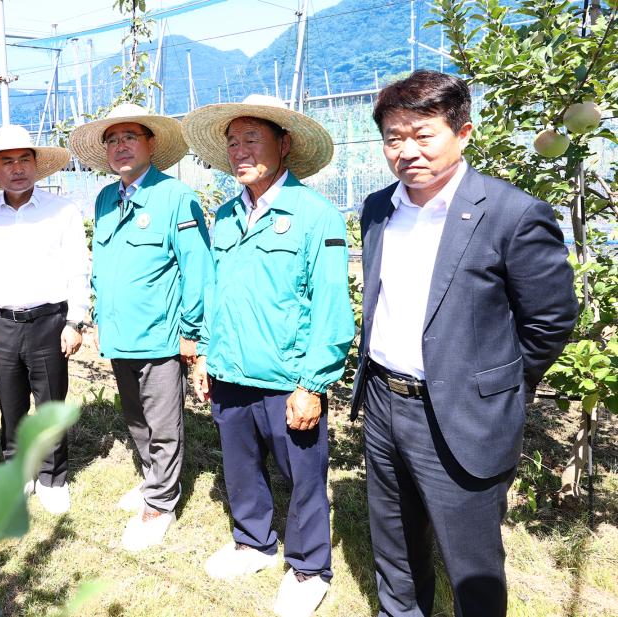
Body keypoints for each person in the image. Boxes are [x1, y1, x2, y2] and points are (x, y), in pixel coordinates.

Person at [350, 70, 578, 617]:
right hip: (383, 399)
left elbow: (550, 319)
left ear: (464, 133)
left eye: (422, 134)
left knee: (470, 560)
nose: (407, 151)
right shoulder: (379, 208)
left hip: (459, 412)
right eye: (393, 137)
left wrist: (498, 386)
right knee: (394, 542)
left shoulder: (511, 213)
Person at [184, 95, 351, 617]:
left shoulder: (314, 215)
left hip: (287, 378)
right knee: (240, 468)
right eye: (232, 142)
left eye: (251, 139)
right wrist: (205, 354)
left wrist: (313, 383)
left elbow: (330, 306)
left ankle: (308, 567)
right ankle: (253, 541)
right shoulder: (227, 214)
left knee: (303, 478)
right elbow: (215, 291)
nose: (239, 150)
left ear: (285, 144)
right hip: (231, 369)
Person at [68, 103, 212, 551]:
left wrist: (192, 331)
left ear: (151, 144)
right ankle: (154, 480)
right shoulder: (105, 199)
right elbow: (102, 266)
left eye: (130, 137)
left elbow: (197, 268)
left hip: (159, 334)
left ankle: (162, 503)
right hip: (120, 335)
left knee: (163, 423)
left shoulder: (175, 197)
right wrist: (97, 319)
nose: (120, 146)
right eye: (112, 140)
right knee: (135, 418)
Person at [0, 124, 90, 514]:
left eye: (23, 160)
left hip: (49, 321)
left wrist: (75, 320)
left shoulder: (62, 211)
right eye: (7, 162)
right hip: (2, 323)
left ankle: (53, 477)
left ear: (36, 164)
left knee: (49, 401)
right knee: (11, 403)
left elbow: (77, 268)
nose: (16, 169)